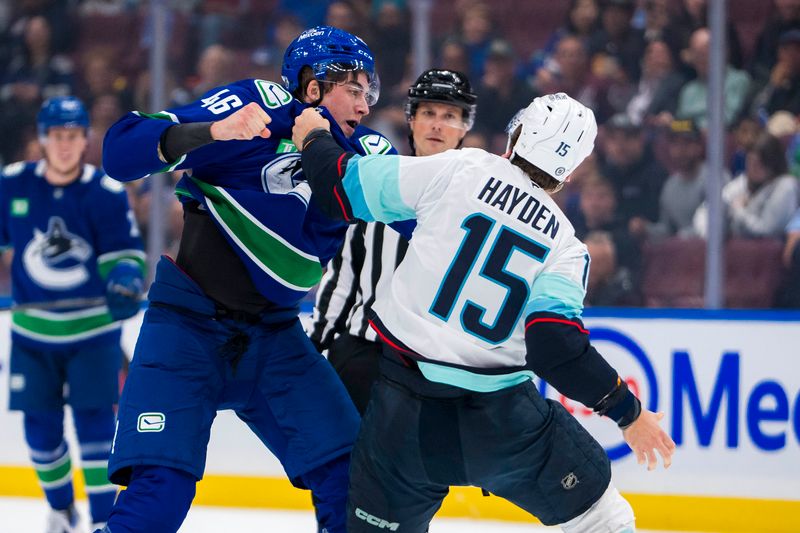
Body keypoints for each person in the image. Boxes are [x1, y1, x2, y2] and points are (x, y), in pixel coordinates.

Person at [292, 92, 675, 533]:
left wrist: (315, 136)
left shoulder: (463, 167)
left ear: (518, 135)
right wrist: (628, 413)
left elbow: (340, 186)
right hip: (504, 424)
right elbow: (556, 347)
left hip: (402, 416)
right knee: (604, 519)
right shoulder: (567, 247)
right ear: (569, 172)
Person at [97, 26, 395, 533]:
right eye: (355, 88)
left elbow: (424, 216)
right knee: (157, 498)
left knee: (353, 484)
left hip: (276, 340)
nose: (366, 106)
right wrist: (212, 132)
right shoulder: (253, 104)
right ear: (313, 85)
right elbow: (120, 152)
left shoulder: (368, 152)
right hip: (185, 332)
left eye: (371, 92)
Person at [1, 96, 145, 532]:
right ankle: (61, 509)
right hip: (32, 335)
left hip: (92, 335)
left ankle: (104, 522)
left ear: (84, 140)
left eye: (73, 136)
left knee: (98, 433)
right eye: (57, 136)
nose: (65, 145)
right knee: (41, 437)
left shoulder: (104, 192)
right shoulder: (12, 184)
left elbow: (124, 255)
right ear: (42, 139)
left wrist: (123, 279)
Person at [310, 68, 477, 415]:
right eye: (428, 113)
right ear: (411, 120)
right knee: (341, 465)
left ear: (464, 128)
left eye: (449, 116)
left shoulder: (480, 204)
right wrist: (316, 348)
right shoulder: (379, 181)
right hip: (362, 358)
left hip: (437, 371)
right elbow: (344, 277)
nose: (436, 124)